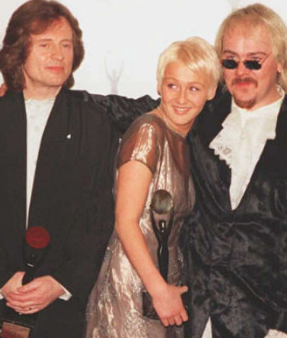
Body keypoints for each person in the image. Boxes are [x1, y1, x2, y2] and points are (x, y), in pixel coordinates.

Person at [86, 3, 287, 338]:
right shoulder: (201, 112)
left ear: (280, 62)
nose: (241, 71)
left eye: (254, 61)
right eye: (230, 60)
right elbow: (126, 109)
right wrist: (41, 92)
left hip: (265, 320)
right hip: (195, 313)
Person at [0, 0, 118, 337]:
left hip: (59, 303)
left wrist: (61, 281)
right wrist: (1, 277)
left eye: (65, 45)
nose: (58, 55)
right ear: (19, 50)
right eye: (45, 45)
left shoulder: (93, 122)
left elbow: (98, 214)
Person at [86, 37, 220, 338]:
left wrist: (165, 289)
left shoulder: (186, 140)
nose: (182, 97)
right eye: (173, 85)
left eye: (194, 88)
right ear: (160, 85)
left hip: (162, 284)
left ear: (211, 92)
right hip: (134, 283)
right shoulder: (148, 131)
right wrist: (158, 289)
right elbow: (126, 222)